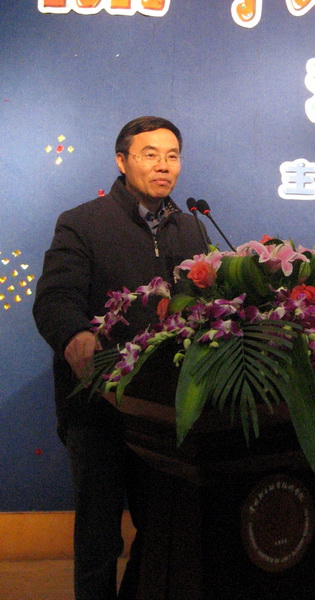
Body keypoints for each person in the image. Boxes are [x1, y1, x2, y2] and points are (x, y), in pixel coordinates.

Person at [33, 116, 210, 600]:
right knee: (98, 540)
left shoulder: (193, 230)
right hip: (98, 407)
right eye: (150, 154)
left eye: (172, 156)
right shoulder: (83, 222)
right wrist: (75, 335)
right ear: (122, 161)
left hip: (164, 411)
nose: (164, 166)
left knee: (163, 532)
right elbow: (55, 298)